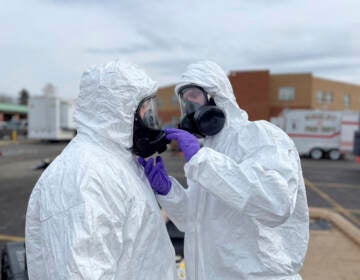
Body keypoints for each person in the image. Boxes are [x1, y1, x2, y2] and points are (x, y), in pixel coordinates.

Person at [139, 61, 309, 279]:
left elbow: (276, 203)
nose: (189, 106)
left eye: (193, 95)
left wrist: (203, 161)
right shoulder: (210, 152)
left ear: (216, 96)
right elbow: (193, 221)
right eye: (184, 100)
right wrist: (168, 191)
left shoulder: (261, 136)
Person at [25, 60, 177, 279]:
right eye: (144, 110)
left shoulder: (115, 163)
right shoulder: (85, 176)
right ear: (119, 111)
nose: (150, 119)